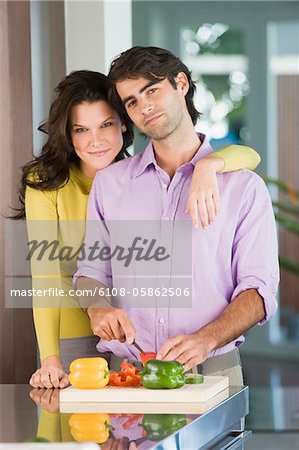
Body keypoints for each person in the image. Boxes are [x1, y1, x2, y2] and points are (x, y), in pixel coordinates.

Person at [13, 69, 259, 389]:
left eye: (106, 125)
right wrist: (50, 359)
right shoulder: (47, 184)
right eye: (81, 129)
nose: (96, 140)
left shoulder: (134, 178)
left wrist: (208, 166)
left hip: (132, 343)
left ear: (124, 124)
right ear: (68, 135)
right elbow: (45, 276)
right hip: (72, 334)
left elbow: (250, 156)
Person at [74, 47, 279, 385]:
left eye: (152, 90)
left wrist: (207, 339)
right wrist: (97, 307)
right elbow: (91, 271)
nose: (145, 107)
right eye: (132, 102)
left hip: (213, 372)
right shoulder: (110, 184)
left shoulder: (243, 188)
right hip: (126, 374)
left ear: (181, 83)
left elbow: (258, 291)